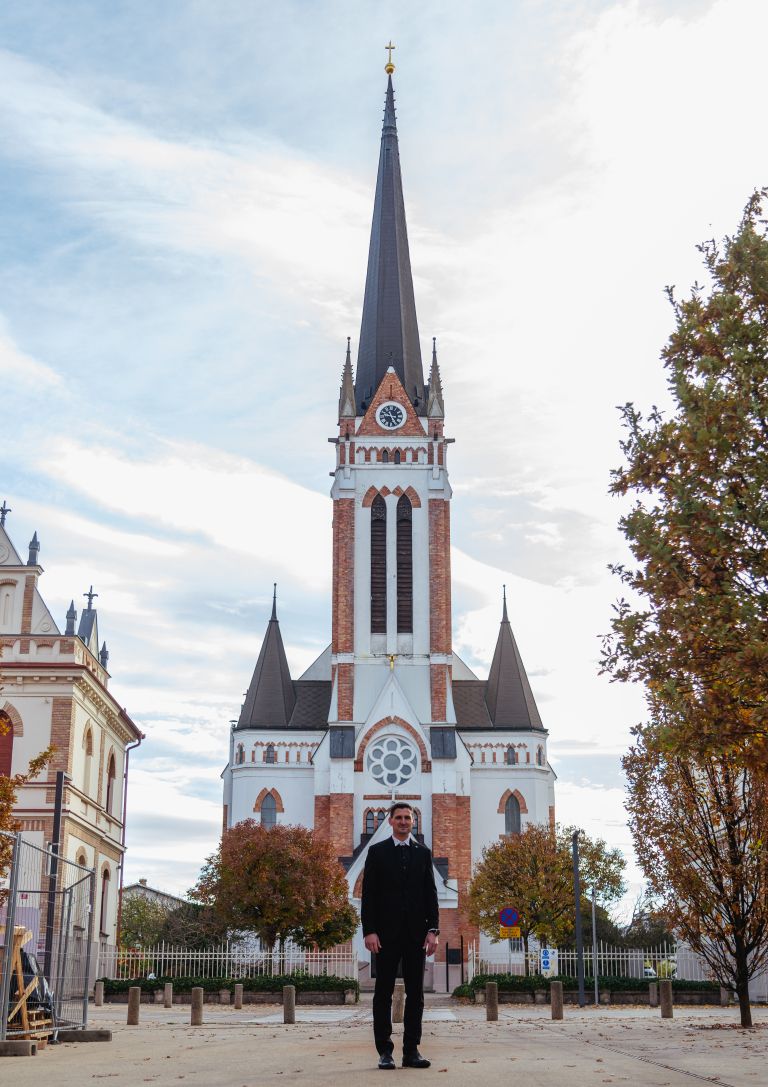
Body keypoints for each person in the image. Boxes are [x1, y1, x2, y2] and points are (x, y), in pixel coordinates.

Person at [361, 801, 439, 1070]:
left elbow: (431, 894)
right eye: (399, 817)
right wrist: (369, 930)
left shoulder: (423, 853)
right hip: (385, 936)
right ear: (391, 821)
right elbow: (368, 895)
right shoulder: (377, 852)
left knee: (416, 995)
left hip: (416, 935)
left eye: (408, 817)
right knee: (382, 994)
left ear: (413, 821)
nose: (404, 821)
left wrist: (433, 930)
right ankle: (385, 1051)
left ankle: (411, 1051)